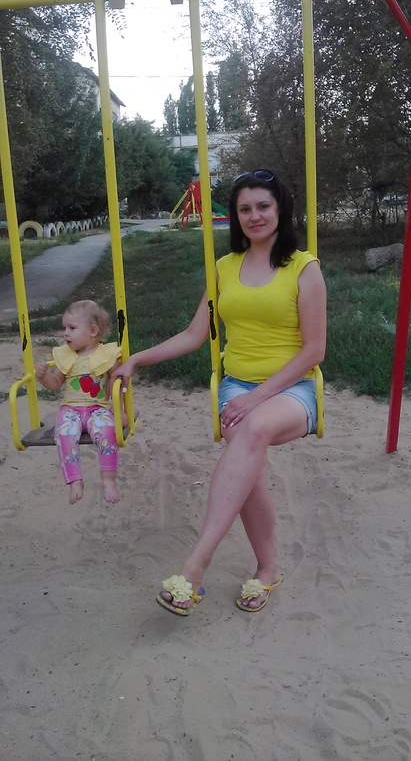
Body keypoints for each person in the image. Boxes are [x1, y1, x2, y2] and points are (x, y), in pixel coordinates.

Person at [108, 169, 327, 615]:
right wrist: (137, 359)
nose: (254, 216)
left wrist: (257, 396)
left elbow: (314, 350)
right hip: (237, 387)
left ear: (280, 209)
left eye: (263, 206)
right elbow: (195, 334)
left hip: (293, 389)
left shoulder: (304, 268)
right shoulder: (225, 268)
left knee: (251, 429)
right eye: (245, 209)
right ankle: (267, 569)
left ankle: (195, 566)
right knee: (247, 467)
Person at [36, 300, 126, 505]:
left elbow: (118, 382)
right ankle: (75, 480)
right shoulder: (66, 356)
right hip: (71, 409)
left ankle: (108, 481)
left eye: (72, 328)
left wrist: (120, 410)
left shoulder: (107, 355)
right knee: (64, 433)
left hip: (98, 408)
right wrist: (44, 377)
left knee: (107, 431)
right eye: (64, 328)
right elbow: (55, 383)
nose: (65, 333)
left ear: (93, 331)